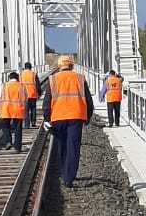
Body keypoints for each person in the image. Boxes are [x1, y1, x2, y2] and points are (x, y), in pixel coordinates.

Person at [43, 55, 93, 188]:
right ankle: (69, 177)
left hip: (57, 117)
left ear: (59, 67)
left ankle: (63, 172)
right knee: (73, 147)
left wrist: (47, 119)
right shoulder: (80, 78)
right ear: (71, 65)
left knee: (62, 146)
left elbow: (47, 102)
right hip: (76, 117)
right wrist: (88, 117)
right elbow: (89, 100)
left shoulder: (53, 79)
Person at [0, 71, 26, 152]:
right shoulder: (21, 86)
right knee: (18, 129)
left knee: (5, 127)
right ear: (17, 78)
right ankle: (17, 147)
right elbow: (25, 98)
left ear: (9, 78)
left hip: (5, 109)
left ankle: (8, 142)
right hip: (18, 110)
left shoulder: (4, 86)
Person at [20, 61, 41, 128]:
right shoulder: (33, 74)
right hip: (33, 94)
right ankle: (33, 123)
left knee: (26, 110)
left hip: (24, 95)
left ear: (24, 67)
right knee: (33, 109)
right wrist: (39, 93)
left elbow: (18, 84)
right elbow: (38, 84)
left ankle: (26, 125)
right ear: (31, 67)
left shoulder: (21, 74)